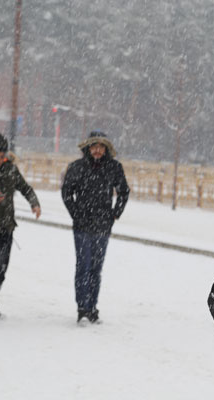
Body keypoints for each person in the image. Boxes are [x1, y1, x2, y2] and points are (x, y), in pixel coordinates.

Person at [61, 131, 129, 325]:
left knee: (95, 268)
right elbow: (67, 191)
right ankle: (82, 308)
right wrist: (75, 212)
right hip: (82, 225)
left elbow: (124, 191)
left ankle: (92, 307)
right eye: (94, 146)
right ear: (88, 148)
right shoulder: (77, 167)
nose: (97, 150)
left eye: (100, 147)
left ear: (106, 149)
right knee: (83, 266)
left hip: (102, 225)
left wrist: (116, 212)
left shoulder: (114, 168)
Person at [0, 133, 41, 322]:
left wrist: (34, 203)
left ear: (5, 155)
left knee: (0, 270)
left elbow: (25, 188)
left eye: (0, 156)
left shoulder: (11, 169)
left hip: (6, 227)